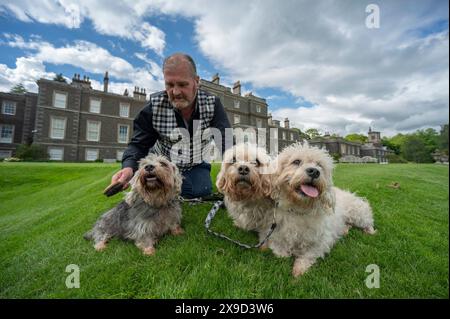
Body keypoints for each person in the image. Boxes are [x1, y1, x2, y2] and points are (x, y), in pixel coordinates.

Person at [110, 53, 231, 198]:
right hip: (164, 164)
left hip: (196, 163)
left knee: (200, 191)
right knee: (161, 192)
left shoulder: (213, 104)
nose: (175, 92)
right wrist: (128, 168)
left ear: (196, 81)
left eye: (182, 84)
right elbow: (138, 144)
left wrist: (237, 168)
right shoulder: (154, 107)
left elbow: (226, 142)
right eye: (170, 85)